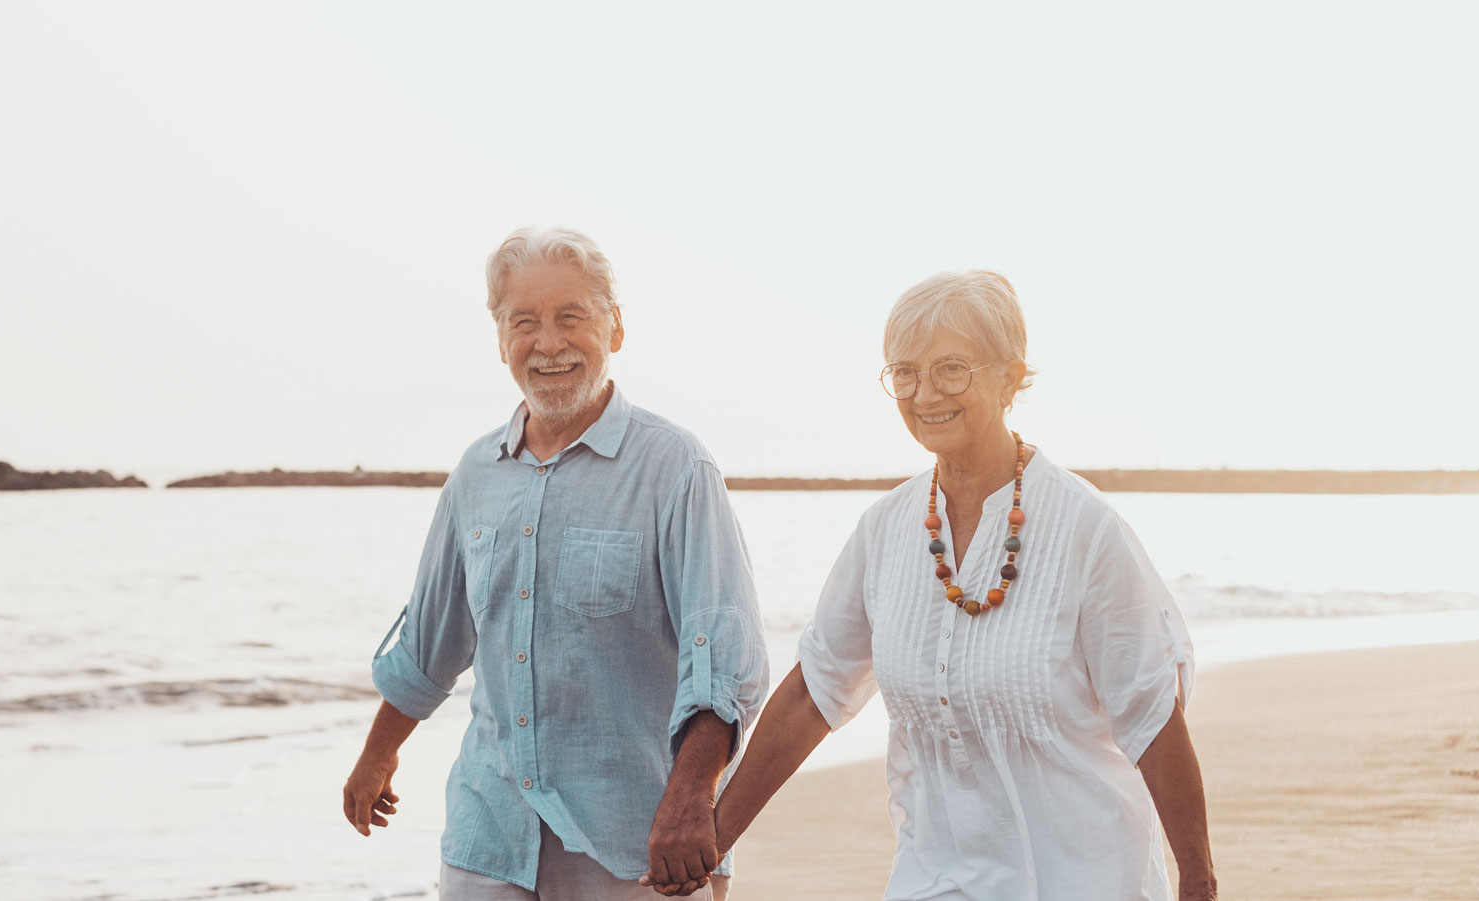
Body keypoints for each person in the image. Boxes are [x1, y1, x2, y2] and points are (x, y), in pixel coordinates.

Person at [647, 270, 1215, 899]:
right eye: (906, 373)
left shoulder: (1087, 530)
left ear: (1008, 377)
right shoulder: (886, 531)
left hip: (1084, 879)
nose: (924, 394)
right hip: (936, 879)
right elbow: (814, 694)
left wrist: (1198, 879)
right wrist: (711, 841)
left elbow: (1152, 716)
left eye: (951, 369)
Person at [343, 226, 769, 901]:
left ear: (614, 328)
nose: (548, 343)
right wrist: (376, 753)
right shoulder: (475, 474)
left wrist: (692, 796)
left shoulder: (675, 467)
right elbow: (431, 638)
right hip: (489, 831)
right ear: (501, 340)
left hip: (636, 840)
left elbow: (722, 651)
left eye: (570, 317)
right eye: (525, 322)